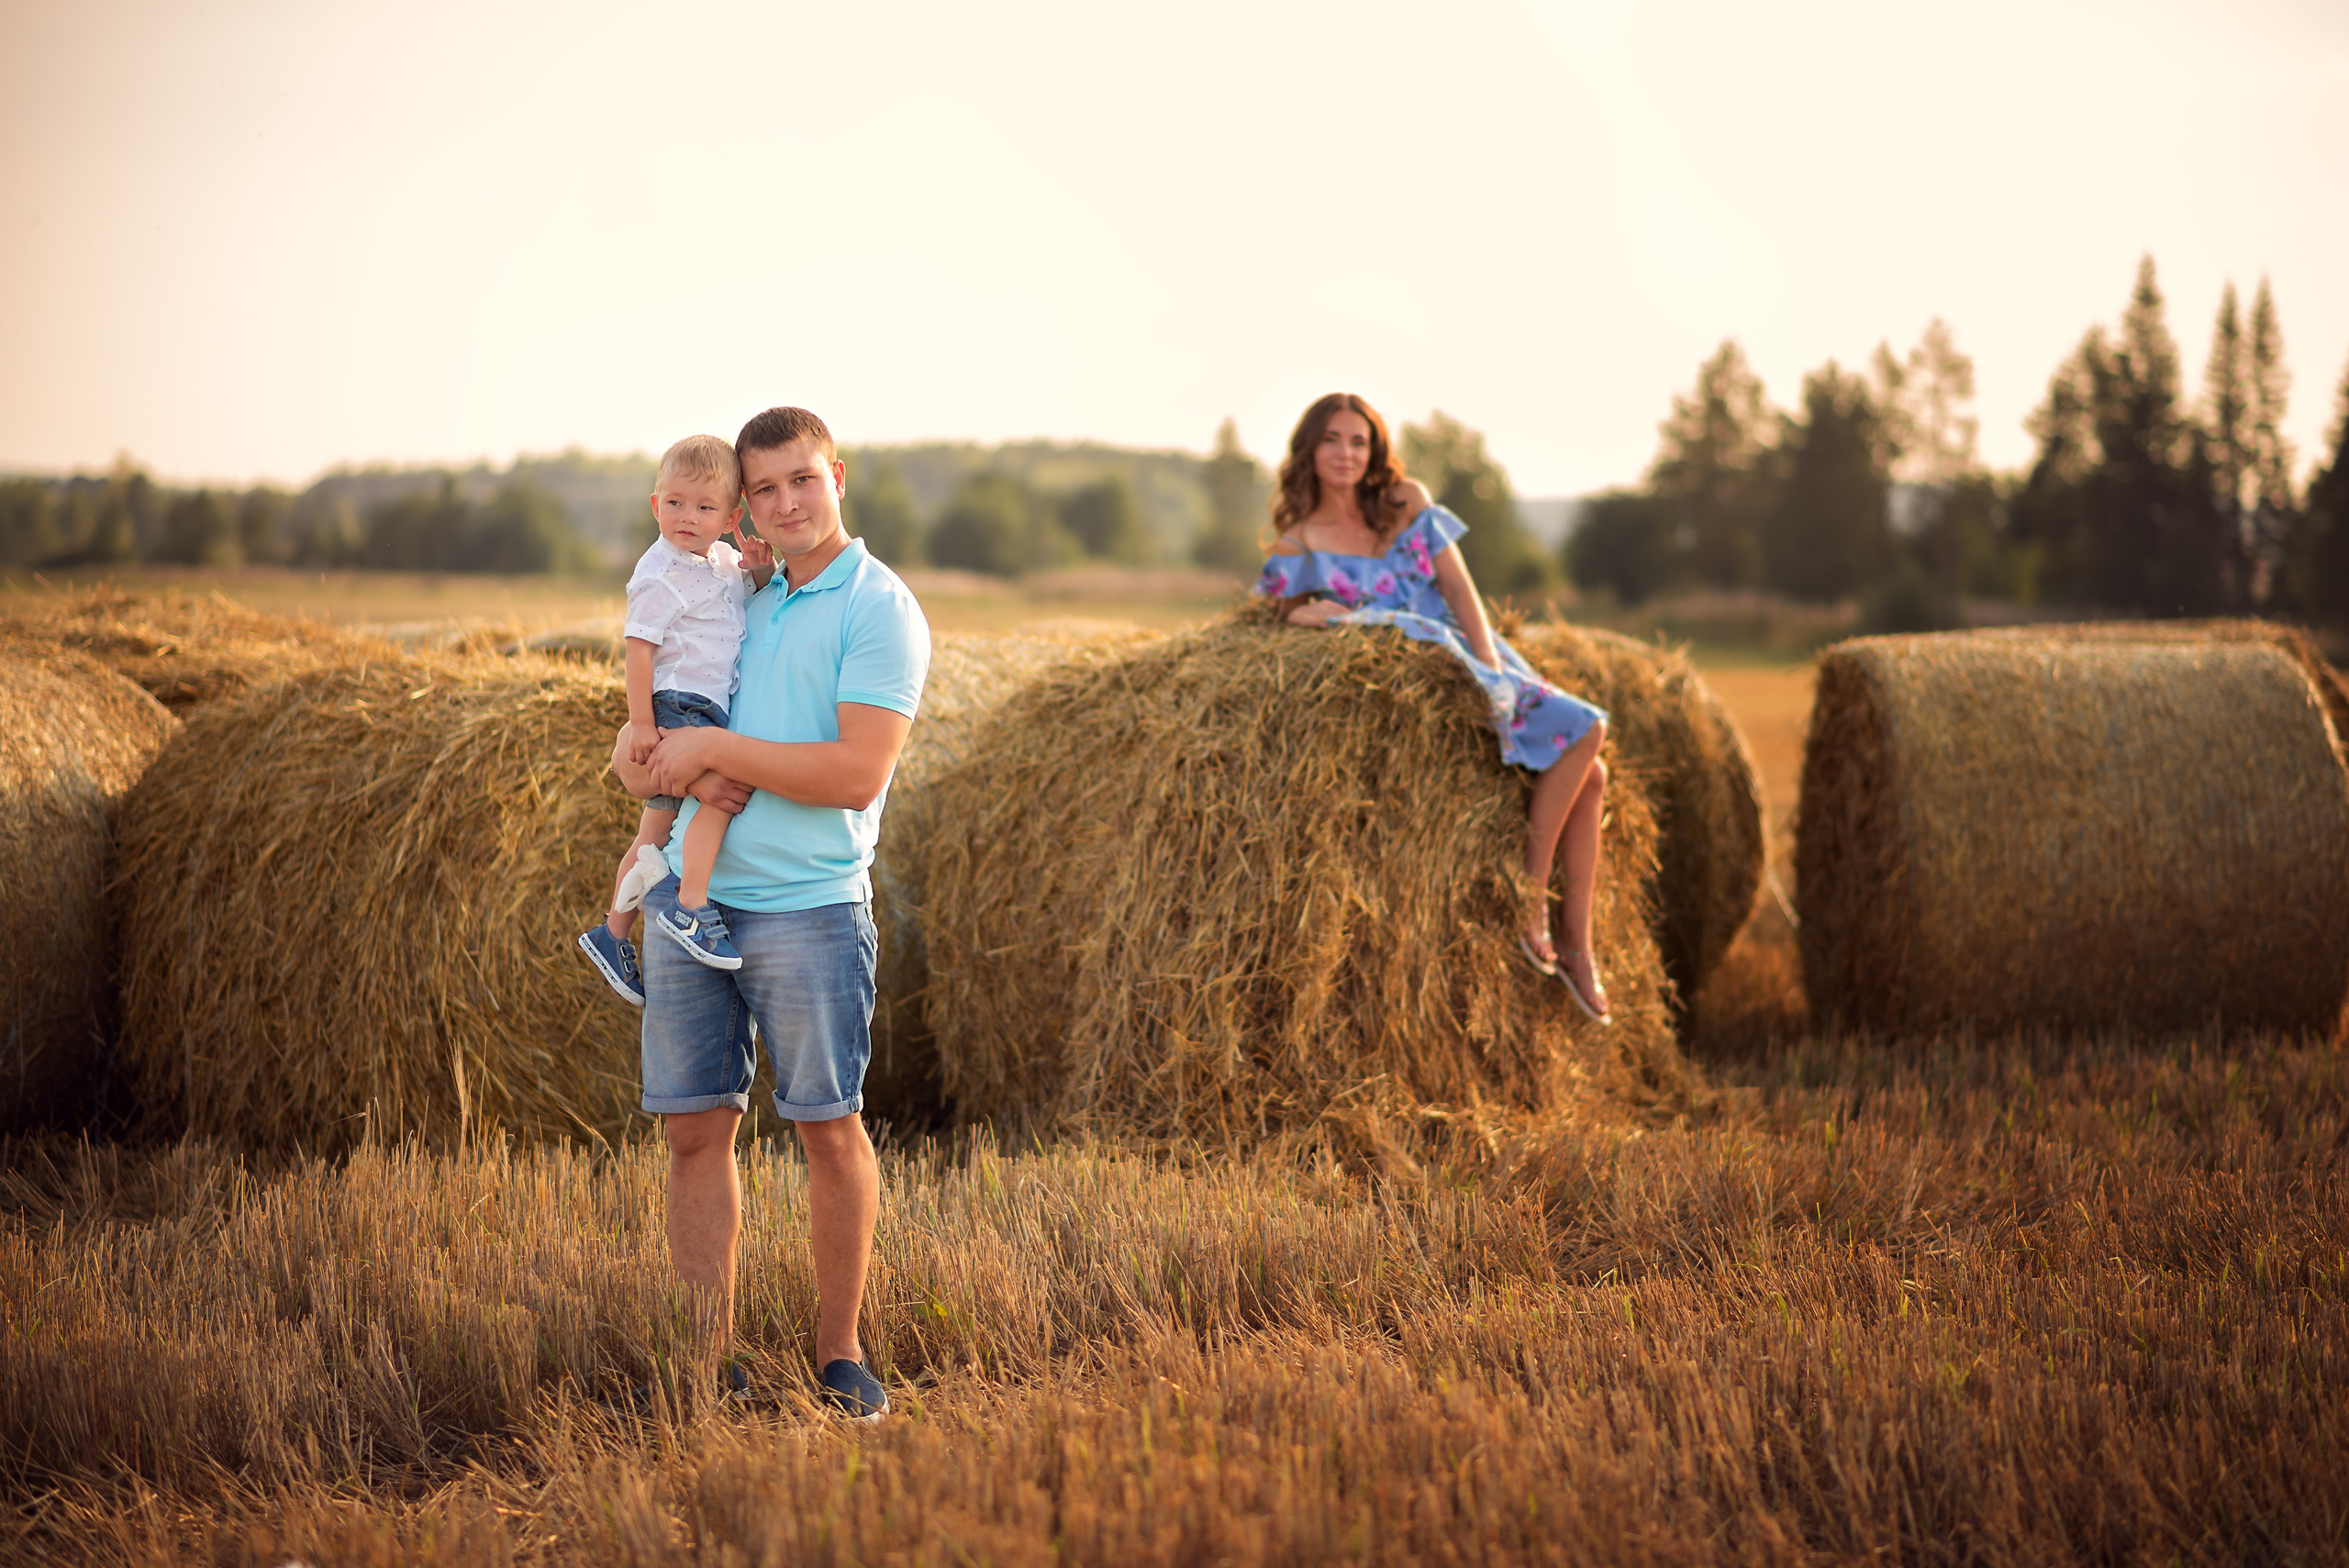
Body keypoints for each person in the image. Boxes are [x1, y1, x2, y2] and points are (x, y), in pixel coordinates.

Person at [608, 406, 930, 1420]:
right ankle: (709, 1358)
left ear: (838, 474)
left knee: (827, 1130)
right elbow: (669, 719)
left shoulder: (879, 607)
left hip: (809, 908)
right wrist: (637, 754)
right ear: (743, 501)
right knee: (695, 1134)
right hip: (691, 908)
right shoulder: (733, 587)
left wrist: (712, 756)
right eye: (765, 488)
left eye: (803, 479)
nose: (785, 502)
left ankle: (839, 1352)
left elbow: (852, 772)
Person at [1253, 393, 1613, 1022]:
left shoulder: (1405, 501)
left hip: (1472, 656)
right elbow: (1281, 616)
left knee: (1594, 765)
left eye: (1359, 441)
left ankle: (1577, 945)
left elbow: (1459, 588)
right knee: (1592, 738)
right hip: (1424, 670)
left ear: (1375, 450)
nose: (1346, 453)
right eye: (1333, 440)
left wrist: (1497, 673)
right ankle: (1533, 906)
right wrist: (1306, 611)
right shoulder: (1298, 543)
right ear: (1309, 450)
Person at [577, 434, 775, 1002]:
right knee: (722, 793)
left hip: (698, 705)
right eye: (675, 504)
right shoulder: (659, 573)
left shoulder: (720, 560)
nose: (688, 518)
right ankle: (690, 906)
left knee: (652, 833)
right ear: (654, 504)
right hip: (680, 706)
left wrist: (759, 574)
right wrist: (641, 723)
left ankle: (613, 932)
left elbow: (739, 605)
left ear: (731, 516)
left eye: (705, 508)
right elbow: (638, 650)